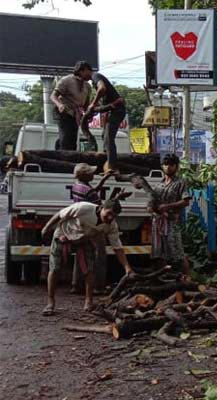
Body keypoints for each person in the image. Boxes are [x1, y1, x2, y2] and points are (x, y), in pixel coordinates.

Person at [41, 199, 134, 315]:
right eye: (108, 213)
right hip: (64, 234)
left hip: (84, 239)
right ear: (101, 208)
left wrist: (127, 267)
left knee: (90, 270)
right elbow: (60, 214)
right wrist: (46, 228)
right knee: (55, 268)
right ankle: (50, 301)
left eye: (113, 216)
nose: (110, 218)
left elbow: (117, 248)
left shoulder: (111, 226)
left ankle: (88, 302)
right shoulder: (84, 208)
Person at [69, 163, 112, 294]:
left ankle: (76, 285)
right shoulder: (88, 190)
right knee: (100, 254)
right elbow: (100, 208)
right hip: (91, 225)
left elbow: (93, 191)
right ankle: (99, 286)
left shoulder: (77, 186)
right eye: (91, 173)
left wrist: (104, 179)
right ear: (86, 176)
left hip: (79, 224)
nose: (94, 174)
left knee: (80, 254)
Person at [149, 154, 191, 276]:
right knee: (159, 253)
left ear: (176, 166)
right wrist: (151, 208)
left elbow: (185, 201)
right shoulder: (158, 185)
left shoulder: (180, 183)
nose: (168, 167)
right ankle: (164, 278)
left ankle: (188, 278)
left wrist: (167, 207)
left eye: (171, 165)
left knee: (177, 252)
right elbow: (152, 203)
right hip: (158, 223)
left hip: (172, 221)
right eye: (166, 164)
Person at [87, 69, 126, 172]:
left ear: (85, 70)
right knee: (104, 135)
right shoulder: (94, 80)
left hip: (117, 110)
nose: (82, 78)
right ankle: (106, 162)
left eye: (81, 74)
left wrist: (93, 103)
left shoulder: (95, 76)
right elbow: (104, 105)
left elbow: (102, 89)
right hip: (113, 110)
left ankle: (111, 166)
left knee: (108, 137)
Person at [50, 61, 92, 150]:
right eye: (89, 71)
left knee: (73, 141)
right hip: (64, 112)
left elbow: (86, 105)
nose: (91, 74)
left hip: (75, 115)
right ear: (82, 71)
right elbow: (53, 96)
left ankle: (71, 160)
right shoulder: (66, 80)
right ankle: (63, 159)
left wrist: (88, 114)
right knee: (65, 139)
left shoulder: (87, 86)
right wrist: (60, 105)